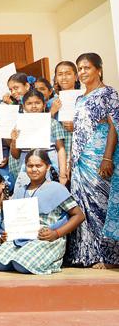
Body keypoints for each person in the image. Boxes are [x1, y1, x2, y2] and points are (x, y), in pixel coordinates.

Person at [0, 150, 85, 274]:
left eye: (38, 166)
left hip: (46, 238)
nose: (34, 169)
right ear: (25, 167)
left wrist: (56, 233)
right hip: (21, 237)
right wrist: (9, 234)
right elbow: (13, 220)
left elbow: (79, 215)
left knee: (21, 265)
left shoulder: (56, 188)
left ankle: (51, 262)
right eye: (30, 166)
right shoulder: (20, 191)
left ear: (48, 167)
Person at [66, 53, 119, 268]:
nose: (82, 72)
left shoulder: (109, 93)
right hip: (79, 162)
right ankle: (89, 254)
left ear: (99, 69)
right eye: (79, 68)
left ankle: (109, 257)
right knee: (83, 208)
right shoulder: (79, 98)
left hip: (99, 159)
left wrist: (107, 158)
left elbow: (114, 126)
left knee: (101, 205)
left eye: (87, 67)